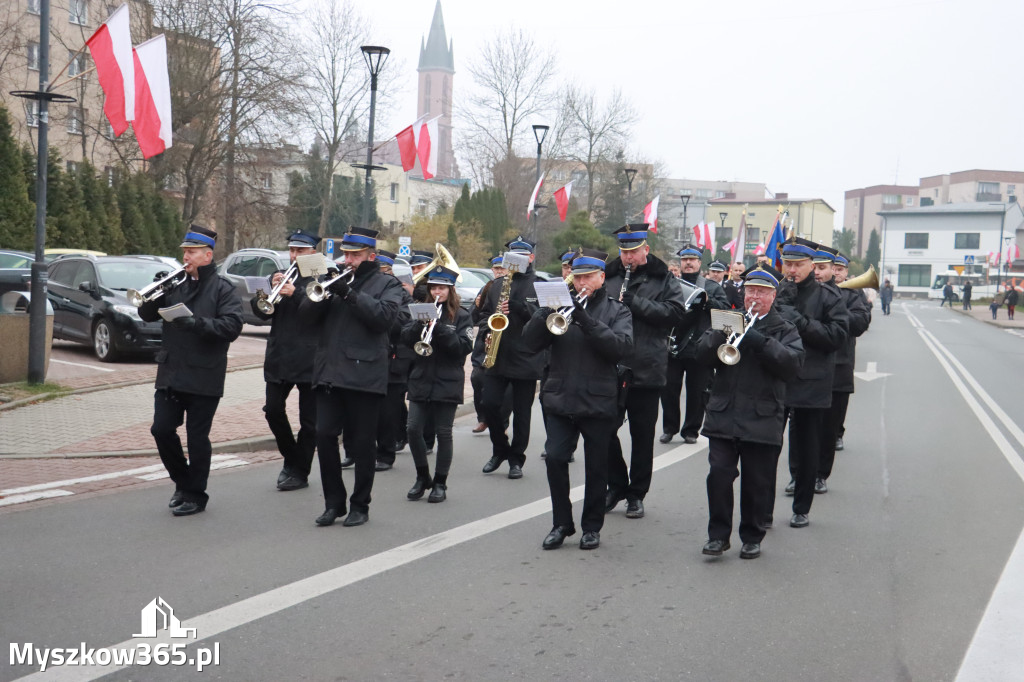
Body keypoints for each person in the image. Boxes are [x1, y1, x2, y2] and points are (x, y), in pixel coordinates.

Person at [523, 248, 633, 550]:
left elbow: (620, 348)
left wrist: (585, 319)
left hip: (598, 399)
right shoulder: (559, 306)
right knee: (556, 458)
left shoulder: (617, 310)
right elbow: (529, 344)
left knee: (597, 466)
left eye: (587, 277)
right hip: (560, 396)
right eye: (577, 276)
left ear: (601, 278)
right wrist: (544, 313)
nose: (581, 282)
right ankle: (562, 523)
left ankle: (591, 526)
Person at [696, 266, 803, 559]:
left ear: (773, 296)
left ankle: (752, 535)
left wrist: (759, 340)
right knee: (718, 475)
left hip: (762, 416)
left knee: (757, 481)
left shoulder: (786, 329)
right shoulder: (729, 320)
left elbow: (792, 366)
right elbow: (701, 355)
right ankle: (717, 536)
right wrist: (720, 336)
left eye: (761, 292)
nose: (754, 297)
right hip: (724, 413)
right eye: (750, 291)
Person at [300, 227, 404, 528]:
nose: (348, 260)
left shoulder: (387, 283)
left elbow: (384, 319)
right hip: (329, 373)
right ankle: (333, 503)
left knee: (362, 444)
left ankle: (360, 504)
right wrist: (320, 292)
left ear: (371, 255)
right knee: (324, 436)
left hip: (364, 374)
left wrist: (350, 294)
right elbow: (306, 318)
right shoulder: (334, 282)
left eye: (355, 255)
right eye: (346, 254)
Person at [139, 224, 243, 516]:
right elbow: (146, 314)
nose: (186, 256)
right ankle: (183, 482)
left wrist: (196, 323)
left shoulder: (224, 289)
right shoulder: (175, 284)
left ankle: (196, 495)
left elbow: (232, 327)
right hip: (171, 372)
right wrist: (156, 293)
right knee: (160, 429)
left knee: (197, 439)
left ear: (207, 255)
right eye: (185, 251)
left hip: (204, 374)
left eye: (192, 252)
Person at [603, 225, 689, 519]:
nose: (628, 257)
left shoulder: (663, 278)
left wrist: (636, 304)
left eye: (633, 251)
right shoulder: (608, 276)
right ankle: (616, 484)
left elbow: (676, 314)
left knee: (642, 436)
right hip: (612, 365)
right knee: (603, 430)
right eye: (623, 251)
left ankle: (637, 494)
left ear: (645, 250)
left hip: (646, 366)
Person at [773, 237, 849, 528]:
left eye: (798, 265)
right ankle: (762, 510)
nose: (792, 270)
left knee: (806, 449)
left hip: (812, 382)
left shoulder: (829, 297)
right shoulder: (776, 292)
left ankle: (801, 507)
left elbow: (836, 338)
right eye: (788, 264)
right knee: (767, 448)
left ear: (811, 265)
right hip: (776, 378)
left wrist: (801, 322)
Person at [251, 230, 321, 492]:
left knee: (310, 422)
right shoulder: (280, 276)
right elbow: (262, 314)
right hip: (280, 357)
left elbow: (320, 312)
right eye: (291, 250)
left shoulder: (322, 278)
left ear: (313, 252)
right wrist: (266, 292)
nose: (293, 256)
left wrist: (297, 293)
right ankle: (292, 458)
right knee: (272, 410)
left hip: (310, 359)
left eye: (300, 251)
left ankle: (299, 472)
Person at [402, 265, 473, 503]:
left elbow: (463, 348)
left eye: (441, 288)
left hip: (447, 380)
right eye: (433, 288)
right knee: (412, 429)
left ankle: (440, 482)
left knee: (444, 433)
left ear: (450, 290)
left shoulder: (462, 315)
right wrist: (418, 324)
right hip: (421, 377)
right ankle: (423, 477)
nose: (436, 292)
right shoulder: (421, 309)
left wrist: (440, 328)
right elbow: (405, 339)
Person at [478, 236, 545, 479]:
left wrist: (519, 308)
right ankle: (500, 449)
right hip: (499, 354)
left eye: (521, 256)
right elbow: (484, 314)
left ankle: (516, 458)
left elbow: (544, 318)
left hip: (526, 356)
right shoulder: (497, 285)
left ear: (530, 258)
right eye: (511, 256)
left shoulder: (538, 284)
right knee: (490, 404)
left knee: (522, 413)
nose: (516, 260)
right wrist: (487, 329)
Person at [660, 243, 730, 445]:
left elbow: (725, 312)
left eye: (692, 260)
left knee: (697, 391)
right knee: (669, 389)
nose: (688, 263)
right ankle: (669, 428)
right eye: (684, 260)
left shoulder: (711, 286)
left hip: (700, 345)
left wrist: (707, 301)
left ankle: (691, 430)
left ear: (699, 262)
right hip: (674, 345)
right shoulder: (671, 284)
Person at [814, 250, 871, 492]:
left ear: (846, 272)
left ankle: (820, 475)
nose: (836, 272)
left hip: (839, 365)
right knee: (802, 427)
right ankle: (798, 474)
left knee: (829, 426)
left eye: (839, 269)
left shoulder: (852, 292)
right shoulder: (812, 291)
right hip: (812, 367)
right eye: (831, 267)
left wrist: (836, 312)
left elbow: (860, 323)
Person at [374, 249, 413, 472]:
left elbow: (403, 322)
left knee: (389, 409)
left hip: (395, 359)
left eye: (385, 271)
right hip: (373, 357)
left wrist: (380, 312)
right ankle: (352, 451)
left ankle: (386, 454)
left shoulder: (401, 293)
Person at [469, 255, 511, 435]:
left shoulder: (510, 288)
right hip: (485, 343)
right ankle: (482, 418)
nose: (499, 272)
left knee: (506, 387)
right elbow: (473, 318)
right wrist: (477, 307)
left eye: (502, 268)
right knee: (477, 379)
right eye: (496, 269)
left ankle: (502, 420)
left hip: (506, 344)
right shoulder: (486, 288)